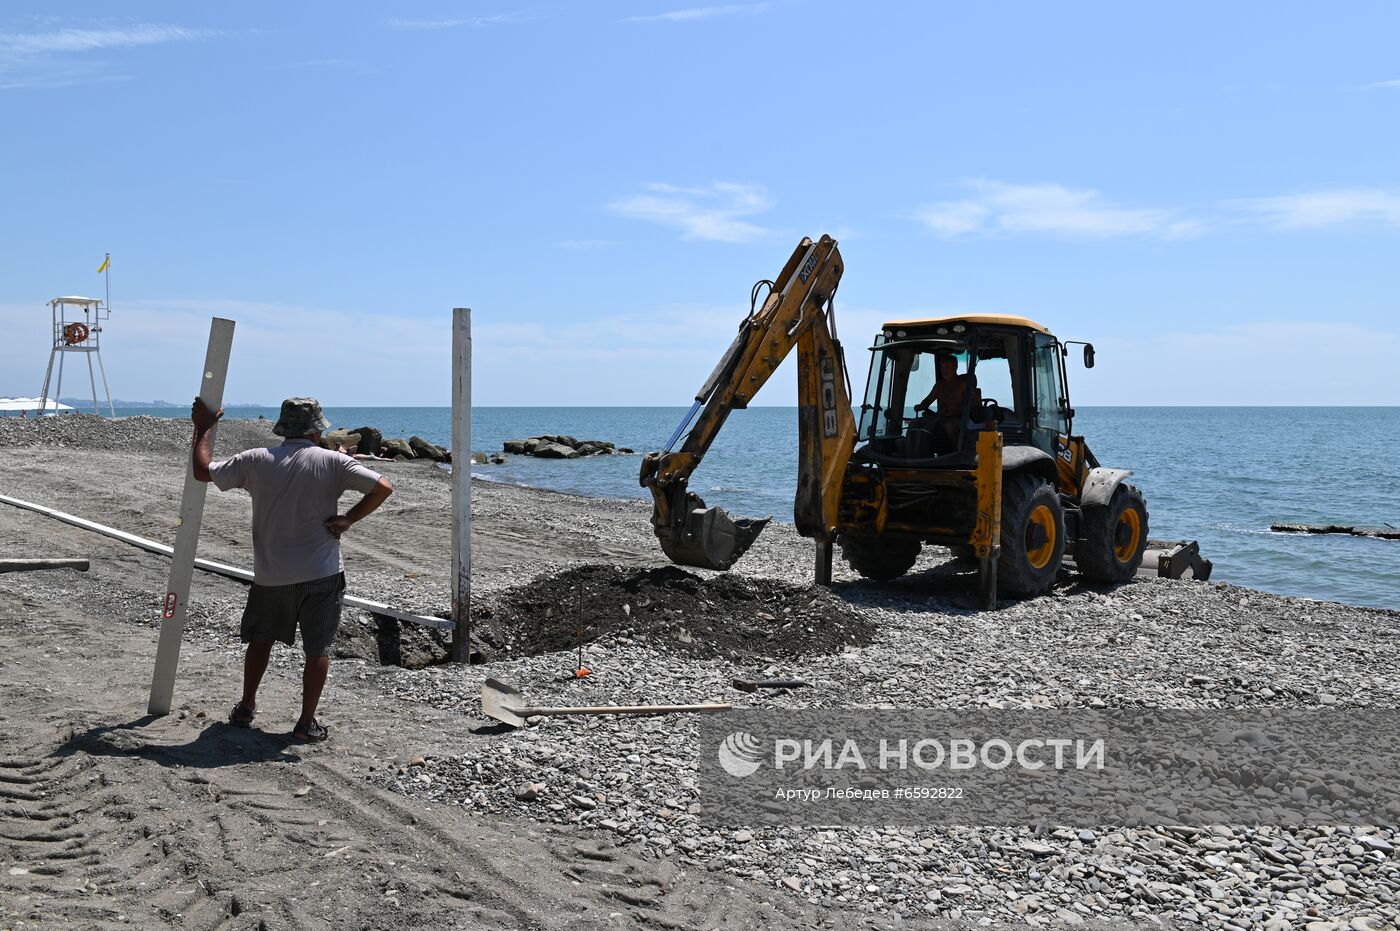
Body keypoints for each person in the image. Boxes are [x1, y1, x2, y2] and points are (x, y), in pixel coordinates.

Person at [191, 396, 393, 742]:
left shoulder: (257, 459)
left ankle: (246, 708)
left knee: (260, 640)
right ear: (317, 428)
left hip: (271, 574)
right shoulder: (333, 461)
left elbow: (202, 470)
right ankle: (305, 723)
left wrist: (204, 427)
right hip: (322, 572)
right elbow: (383, 487)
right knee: (318, 649)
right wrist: (349, 519)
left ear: (283, 427)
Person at [913, 354, 982, 449]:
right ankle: (912, 453)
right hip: (940, 418)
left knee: (949, 426)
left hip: (959, 419)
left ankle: (956, 453)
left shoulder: (963, 385)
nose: (944, 370)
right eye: (942, 367)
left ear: (955, 367)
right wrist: (921, 406)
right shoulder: (939, 385)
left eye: (947, 367)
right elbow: (928, 400)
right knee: (914, 423)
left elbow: (976, 404)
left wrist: (961, 408)